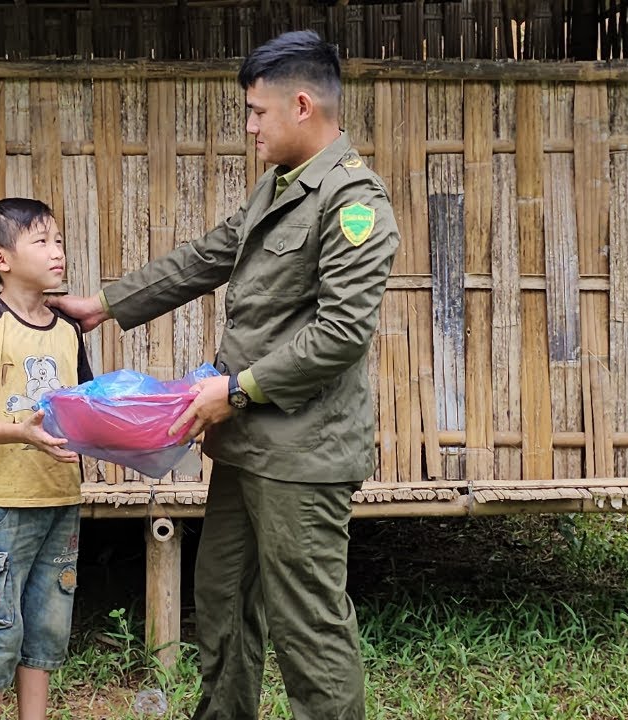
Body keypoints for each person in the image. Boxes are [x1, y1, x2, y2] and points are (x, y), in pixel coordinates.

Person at [49, 30, 400, 720]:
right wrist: (108, 305)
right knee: (221, 601)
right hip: (245, 443)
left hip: (303, 452)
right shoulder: (281, 184)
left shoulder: (355, 204)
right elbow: (212, 253)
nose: (249, 127)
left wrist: (235, 391)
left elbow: (340, 336)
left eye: (256, 112)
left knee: (308, 624)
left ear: (302, 105)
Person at [0, 198, 93, 720]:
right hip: (3, 505)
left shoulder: (69, 330)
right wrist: (23, 434)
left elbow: (86, 411)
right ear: (1, 260)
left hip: (60, 499)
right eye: (42, 241)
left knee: (47, 631)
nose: (58, 252)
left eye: (58, 240)